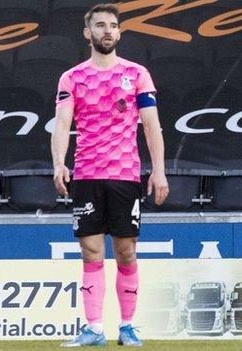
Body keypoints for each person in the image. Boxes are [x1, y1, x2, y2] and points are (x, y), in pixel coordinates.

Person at [51, 3, 169, 347]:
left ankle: (128, 326)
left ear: (119, 33)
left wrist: (158, 171)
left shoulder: (137, 73)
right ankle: (93, 329)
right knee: (90, 251)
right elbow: (61, 124)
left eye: (113, 25)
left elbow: (151, 126)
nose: (107, 30)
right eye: (100, 25)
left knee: (126, 251)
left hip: (124, 174)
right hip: (86, 173)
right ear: (88, 33)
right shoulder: (71, 77)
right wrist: (59, 162)